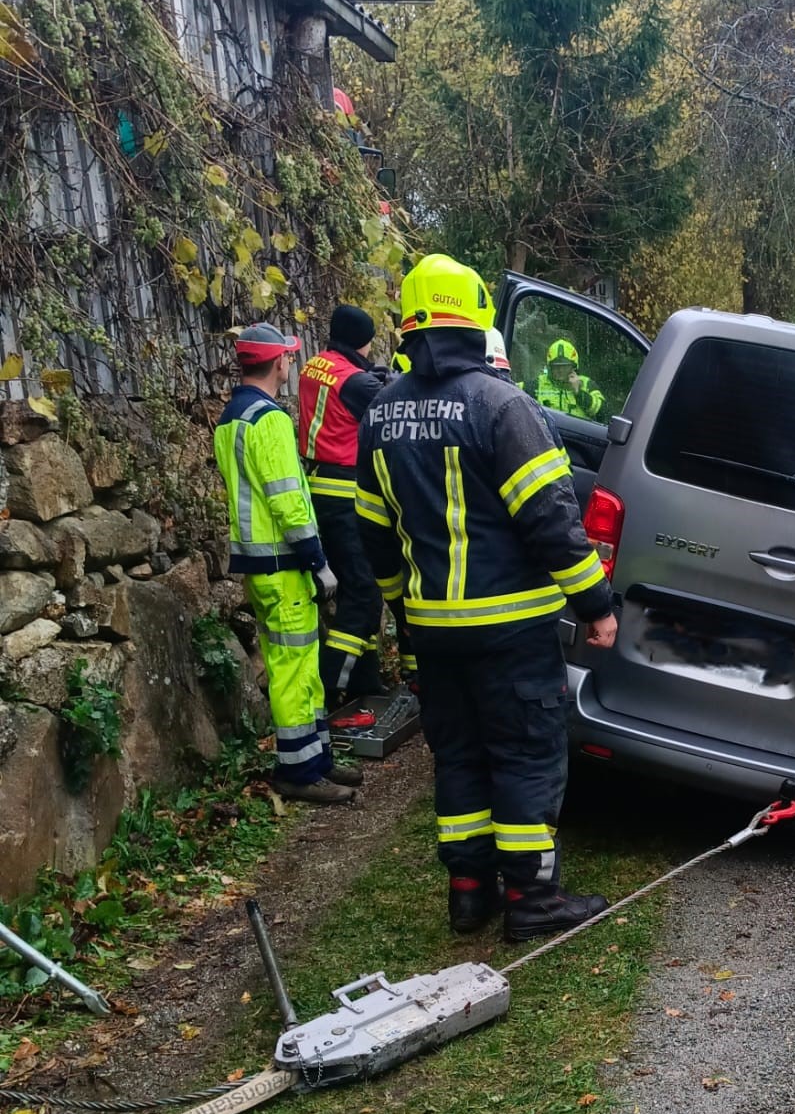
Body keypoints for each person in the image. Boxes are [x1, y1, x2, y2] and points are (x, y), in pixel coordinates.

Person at [355, 255, 620, 940]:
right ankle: (532, 899)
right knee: (526, 754)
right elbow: (551, 519)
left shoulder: (380, 414)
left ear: (410, 324)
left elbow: (374, 534)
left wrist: (403, 611)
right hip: (511, 632)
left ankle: (470, 893)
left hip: (433, 632)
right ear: (476, 320)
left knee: (461, 754)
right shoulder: (503, 406)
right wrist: (595, 604)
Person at [215, 323, 360, 804]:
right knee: (294, 670)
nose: (291, 363)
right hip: (284, 564)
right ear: (278, 362)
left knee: (299, 663)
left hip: (261, 566)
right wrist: (318, 560)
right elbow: (288, 502)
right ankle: (299, 771)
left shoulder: (231, 418)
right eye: (289, 357)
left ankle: (316, 759)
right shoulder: (270, 420)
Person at [297, 305, 394, 712]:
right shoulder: (356, 382)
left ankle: (365, 682)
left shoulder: (315, 365)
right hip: (345, 493)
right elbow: (392, 402)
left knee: (355, 589)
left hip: (320, 488)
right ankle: (328, 687)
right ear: (361, 341)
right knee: (364, 593)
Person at [534, 338, 605, 419]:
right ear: (550, 367)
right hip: (547, 427)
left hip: (577, 427)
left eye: (565, 366)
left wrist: (579, 393)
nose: (560, 370)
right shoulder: (537, 384)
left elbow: (604, 413)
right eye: (556, 366)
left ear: (573, 367)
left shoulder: (586, 384)